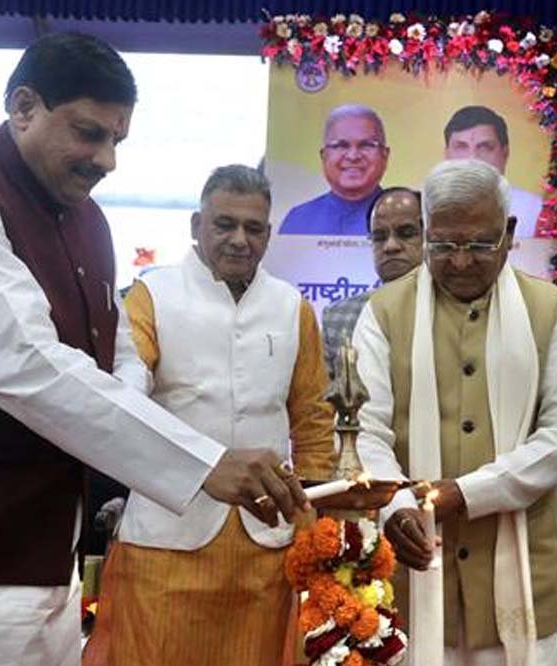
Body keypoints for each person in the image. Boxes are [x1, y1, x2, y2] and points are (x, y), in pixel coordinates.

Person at [0, 33, 309, 666]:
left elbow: (117, 349)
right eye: (88, 133)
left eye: (116, 139)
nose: (107, 159)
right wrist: (202, 463)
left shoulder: (89, 221)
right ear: (24, 107)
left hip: (49, 563)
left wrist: (118, 419)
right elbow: (25, 363)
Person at [82, 164, 334, 665]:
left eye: (253, 228)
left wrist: (313, 518)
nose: (240, 239)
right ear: (197, 226)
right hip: (165, 537)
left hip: (265, 542)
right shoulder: (152, 296)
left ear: (269, 234)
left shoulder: (292, 307)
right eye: (225, 224)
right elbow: (125, 396)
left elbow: (312, 418)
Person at [354, 159, 557, 664]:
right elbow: (366, 433)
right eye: (443, 245)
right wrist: (399, 507)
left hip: (521, 577)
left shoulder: (550, 309)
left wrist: (468, 494)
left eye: (480, 244)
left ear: (509, 232)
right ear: (426, 231)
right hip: (413, 571)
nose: (461, 262)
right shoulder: (383, 312)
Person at [321, 186, 422, 376]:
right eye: (379, 237)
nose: (390, 246)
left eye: (406, 233)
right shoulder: (338, 318)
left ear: (431, 237)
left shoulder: (451, 311)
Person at [280, 104, 390, 236]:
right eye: (341, 146)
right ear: (324, 156)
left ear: (385, 155)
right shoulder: (298, 220)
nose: (353, 156)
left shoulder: (406, 217)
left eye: (366, 145)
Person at [443, 105, 542, 238]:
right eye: (461, 147)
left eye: (485, 147)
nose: (473, 158)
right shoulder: (420, 208)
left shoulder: (534, 211)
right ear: (447, 155)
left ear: (505, 154)